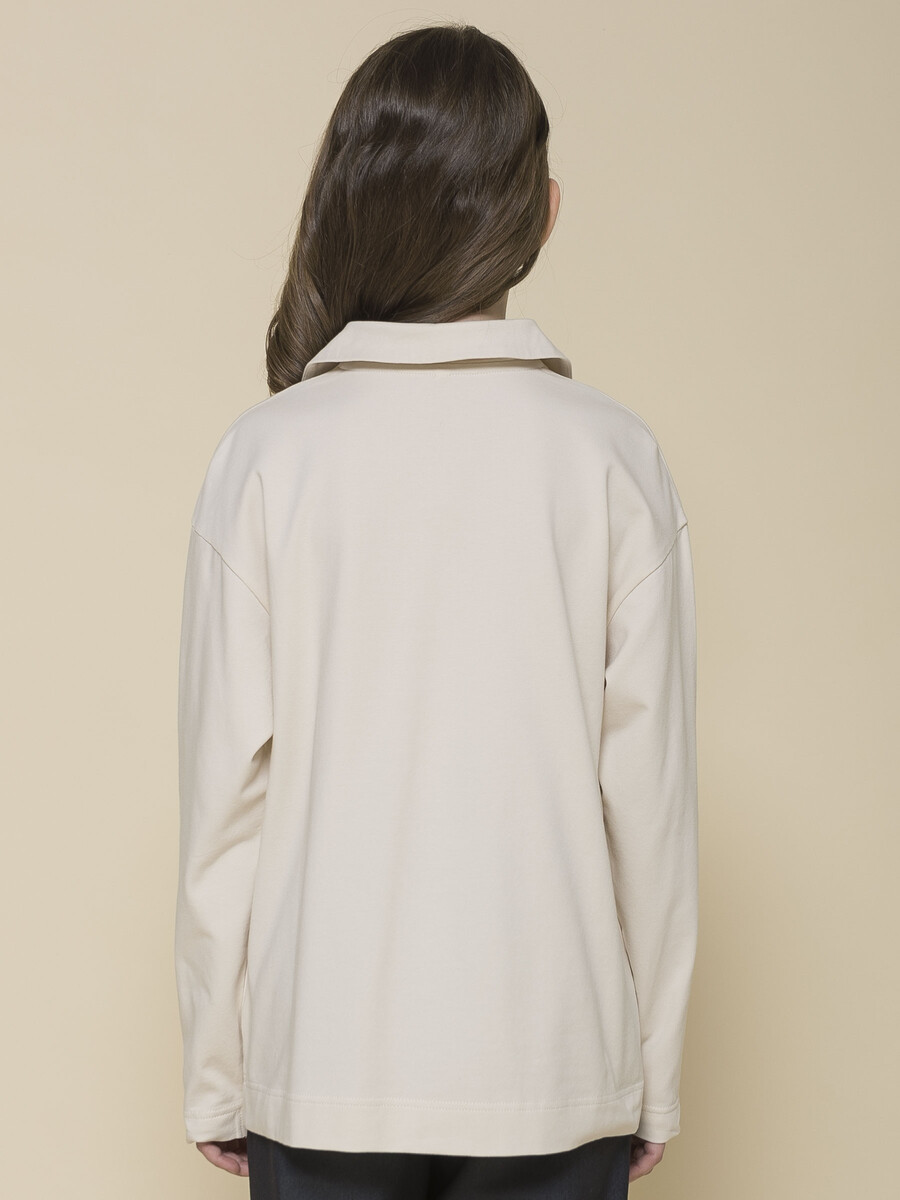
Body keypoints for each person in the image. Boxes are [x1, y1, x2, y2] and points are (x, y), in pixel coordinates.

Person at [174, 21, 699, 1199]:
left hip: (323, 1067)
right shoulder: (614, 460)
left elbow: (223, 804)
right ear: (541, 212)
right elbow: (653, 806)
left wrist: (217, 1073)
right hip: (555, 1066)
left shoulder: (264, 458)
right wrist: (653, 1075)